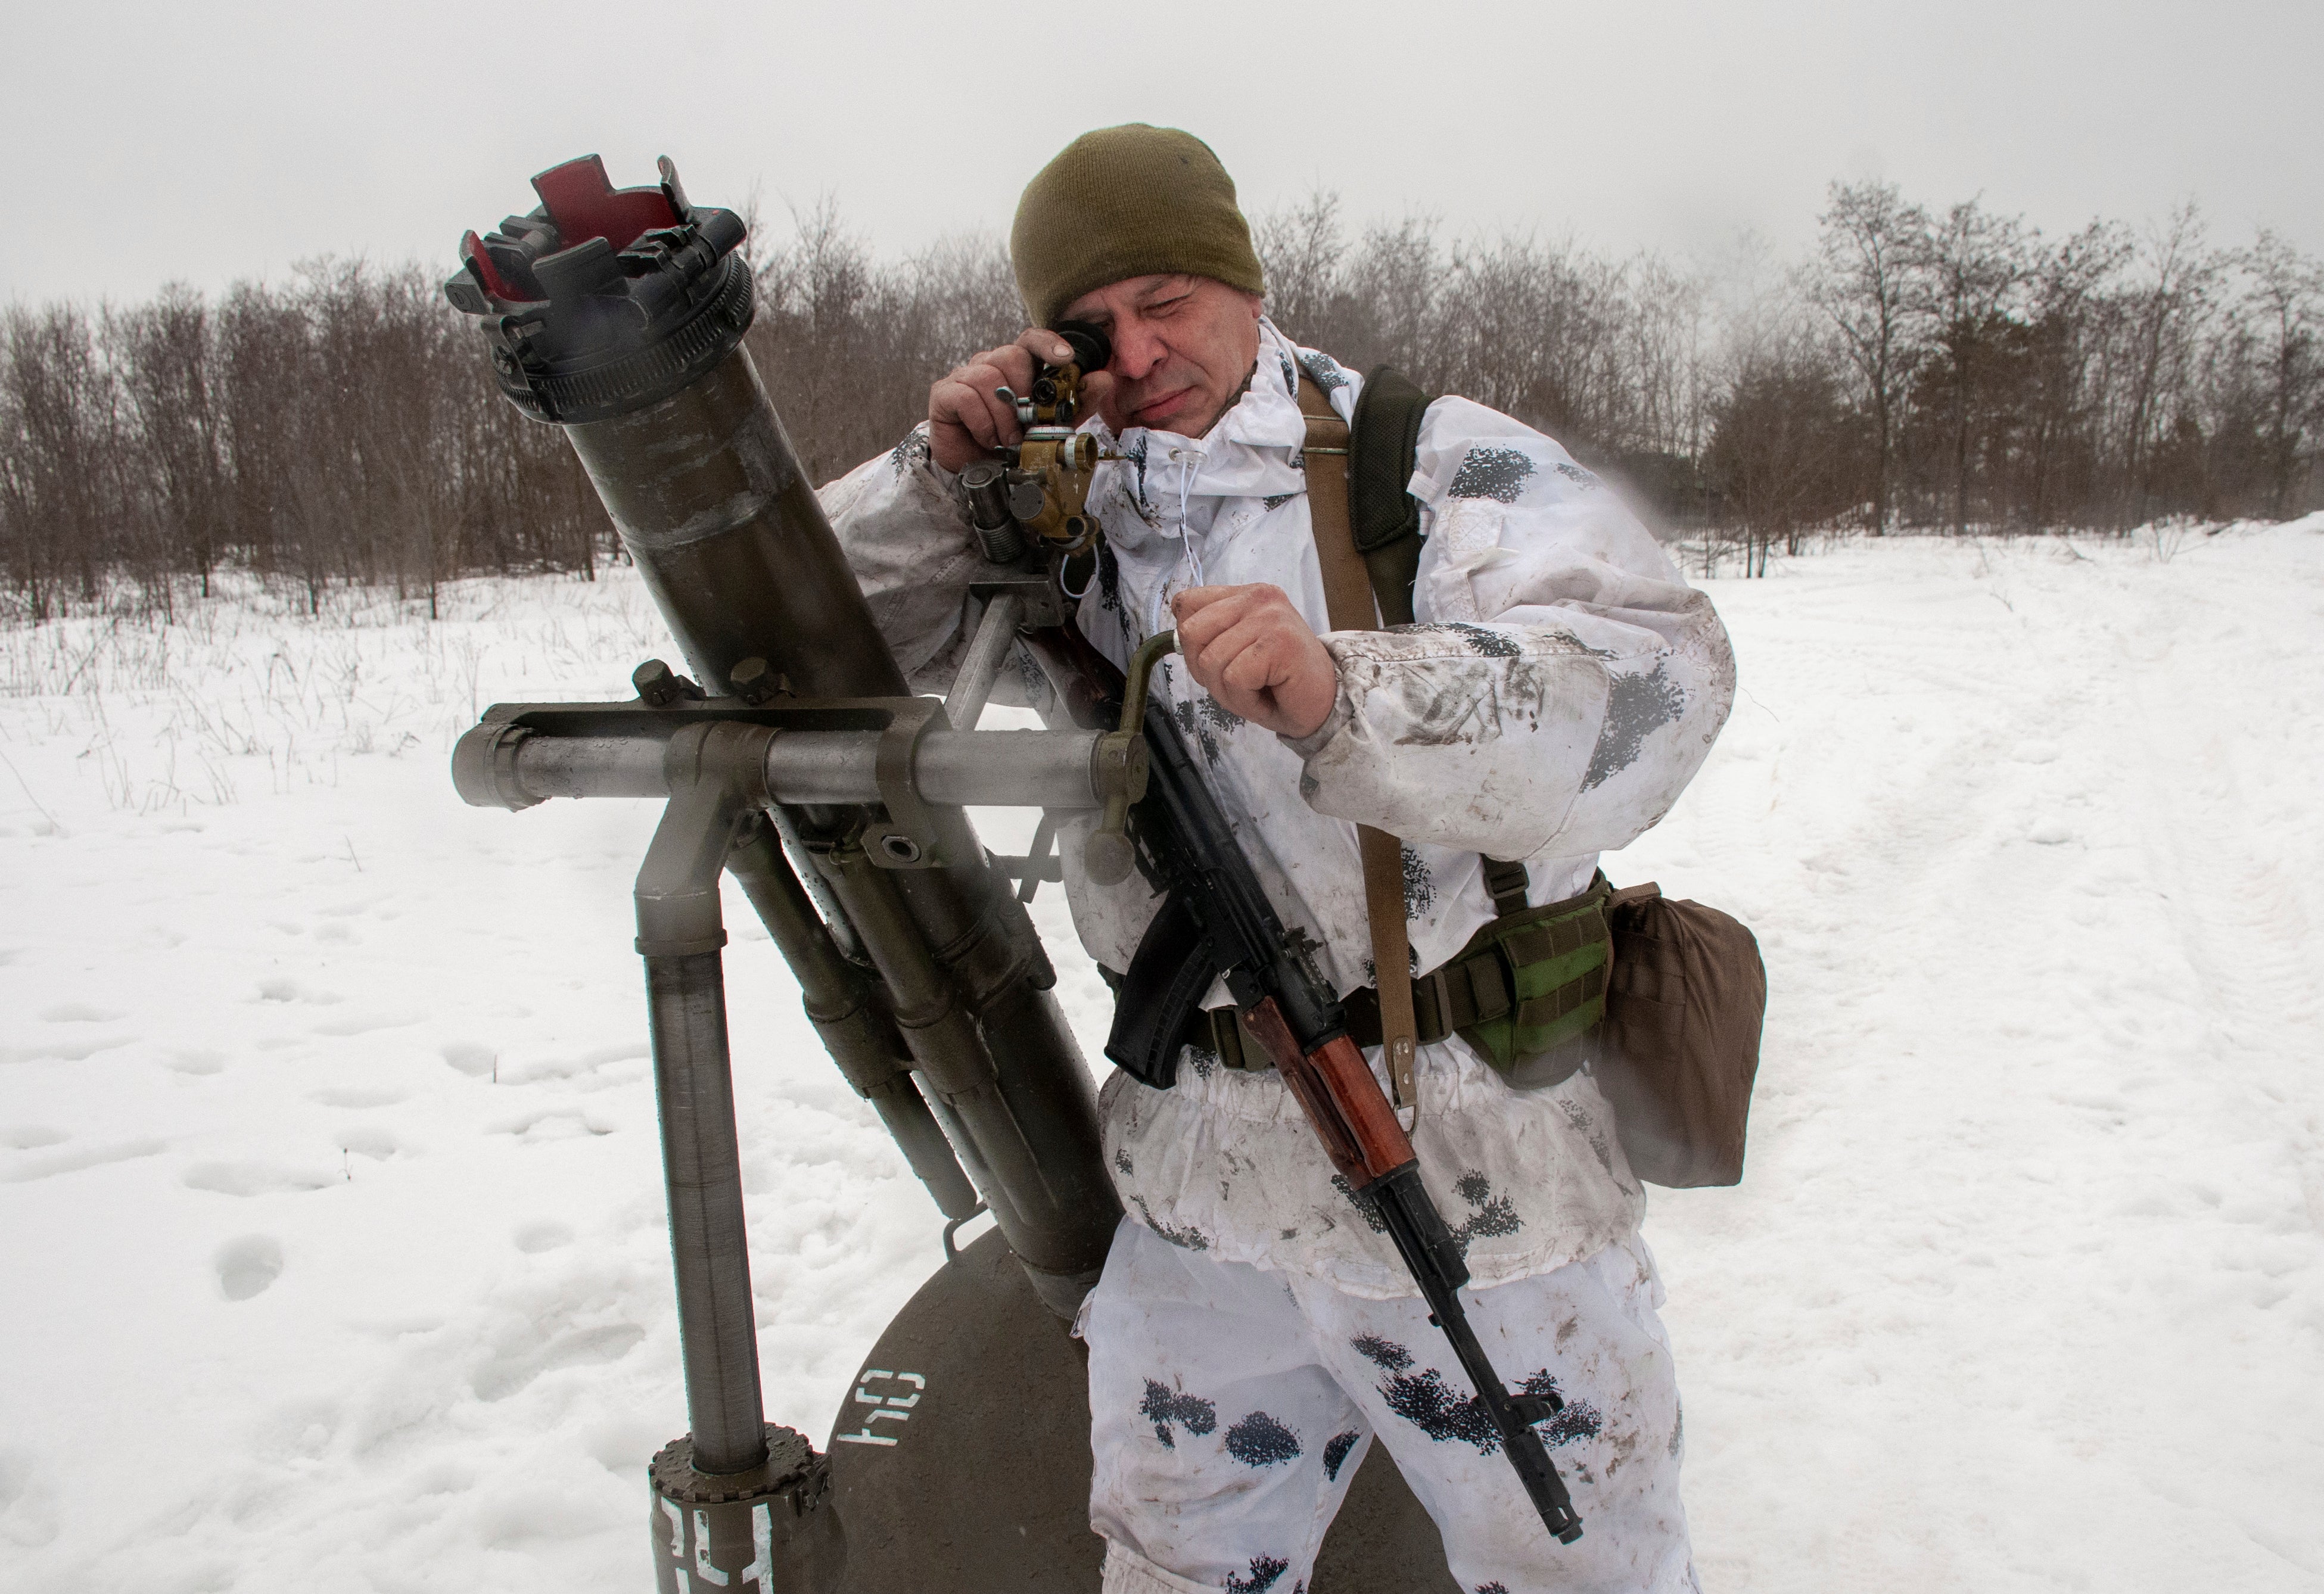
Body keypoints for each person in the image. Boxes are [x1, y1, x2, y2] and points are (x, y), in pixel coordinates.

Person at [819, 124, 1734, 1594]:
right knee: (1178, 1558)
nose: (1137, 352)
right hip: (1203, 1183)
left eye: (1167, 298)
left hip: (1463, 1162)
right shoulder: (1058, 497)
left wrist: (1346, 693)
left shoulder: (1427, 462)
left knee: (1577, 1566)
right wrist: (937, 478)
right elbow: (794, 652)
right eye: (1089, 327)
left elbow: (1653, 686)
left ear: (1245, 283)